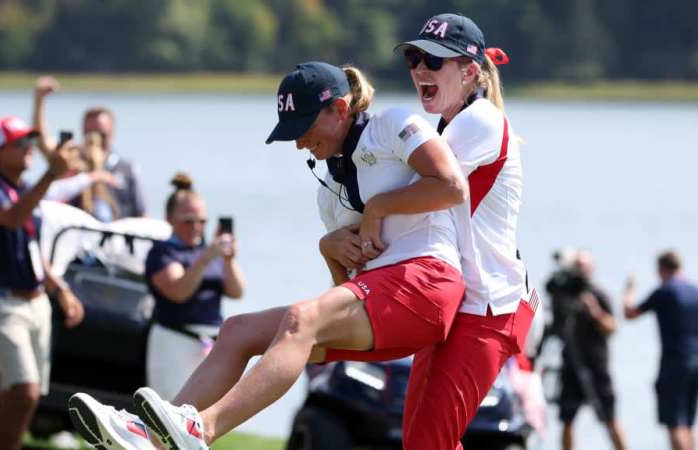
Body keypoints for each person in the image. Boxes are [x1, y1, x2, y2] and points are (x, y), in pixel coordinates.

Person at [68, 61, 469, 449]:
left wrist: (379, 208)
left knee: (300, 319)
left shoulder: (394, 124)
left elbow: (453, 186)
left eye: (304, 127)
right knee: (237, 330)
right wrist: (327, 250)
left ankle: (201, 429)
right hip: (386, 305)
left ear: (340, 109)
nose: (298, 144)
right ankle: (155, 440)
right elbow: (347, 291)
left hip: (427, 284)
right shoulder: (328, 187)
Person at [384, 13, 537, 449]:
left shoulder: (480, 121)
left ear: (470, 72)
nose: (419, 70)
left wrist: (369, 209)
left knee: (425, 444)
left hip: (486, 310)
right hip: (460, 306)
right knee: (424, 441)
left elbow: (406, 190)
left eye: (434, 61)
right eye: (414, 58)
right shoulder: (452, 124)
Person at [0, 116, 85, 450]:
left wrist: (59, 289)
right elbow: (12, 219)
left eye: (29, 142)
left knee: (20, 395)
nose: (27, 148)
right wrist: (51, 174)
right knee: (24, 392)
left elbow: (33, 248)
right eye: (18, 143)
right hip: (4, 302)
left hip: (35, 302)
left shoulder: (20, 190)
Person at [144, 173, 246, 400]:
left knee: (204, 415)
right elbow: (179, 291)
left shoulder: (211, 253)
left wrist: (228, 260)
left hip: (210, 342)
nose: (196, 227)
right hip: (174, 340)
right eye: (188, 221)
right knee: (170, 411)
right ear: (170, 218)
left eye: (201, 221)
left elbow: (237, 291)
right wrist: (205, 258)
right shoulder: (162, 252)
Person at [623, 251, 698, 450]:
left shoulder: (666, 291)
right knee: (689, 425)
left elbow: (629, 313)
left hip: (674, 363)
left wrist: (629, 289)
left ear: (661, 269)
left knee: (674, 424)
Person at [546, 250, 628, 450]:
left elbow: (612, 327)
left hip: (596, 366)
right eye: (576, 266)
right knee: (567, 419)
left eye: (583, 266)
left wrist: (595, 312)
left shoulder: (598, 295)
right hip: (571, 365)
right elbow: (553, 321)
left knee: (610, 418)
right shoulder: (563, 294)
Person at [33, 76, 147, 219]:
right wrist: (39, 100)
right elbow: (41, 141)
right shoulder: (71, 159)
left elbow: (141, 213)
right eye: (89, 133)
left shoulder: (126, 168)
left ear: (112, 131)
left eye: (100, 134)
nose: (94, 139)